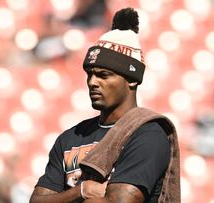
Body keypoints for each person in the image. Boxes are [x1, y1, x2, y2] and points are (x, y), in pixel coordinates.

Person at [30, 8, 180, 203]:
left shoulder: (147, 133)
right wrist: (81, 191)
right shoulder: (70, 138)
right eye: (90, 74)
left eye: (103, 75)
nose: (92, 82)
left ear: (132, 80)